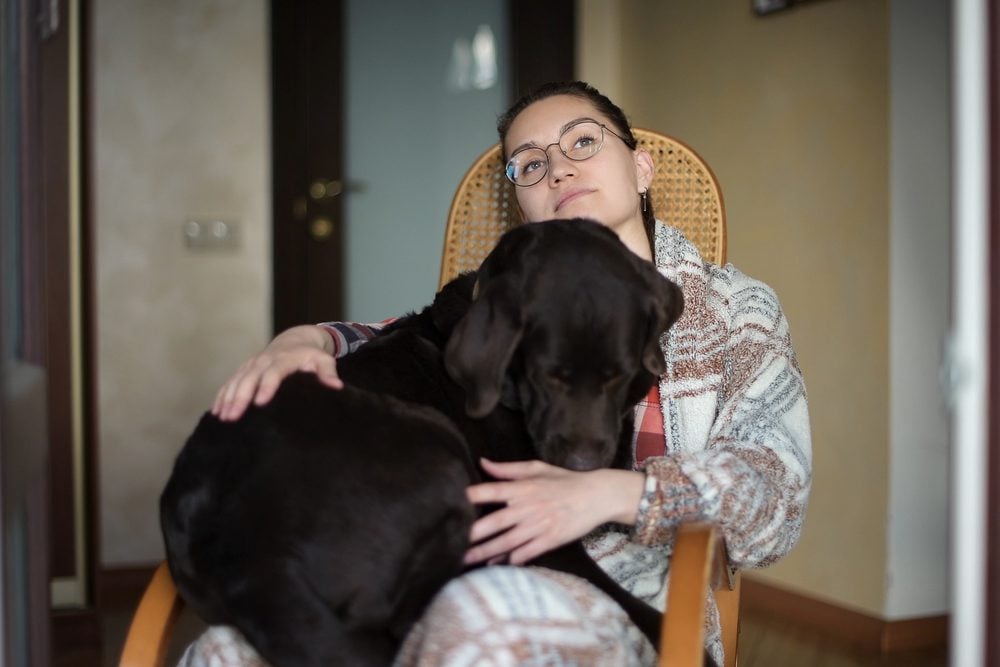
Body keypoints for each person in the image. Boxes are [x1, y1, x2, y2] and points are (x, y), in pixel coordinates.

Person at [183, 81, 812, 667]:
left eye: (583, 141)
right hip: (442, 561)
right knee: (225, 646)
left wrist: (612, 494)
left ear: (641, 166)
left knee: (483, 613)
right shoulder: (504, 301)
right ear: (522, 201)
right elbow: (411, 340)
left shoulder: (735, 312)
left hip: (634, 594)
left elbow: (777, 491)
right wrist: (308, 338)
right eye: (530, 163)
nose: (558, 167)